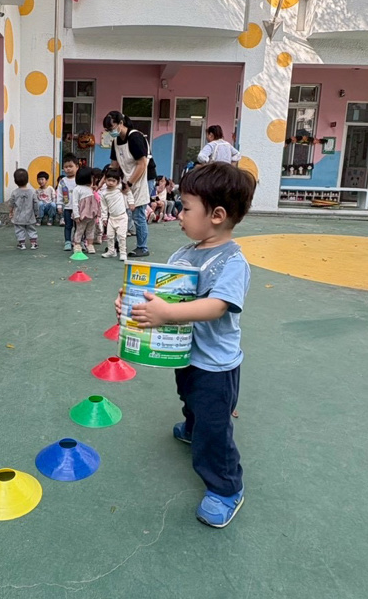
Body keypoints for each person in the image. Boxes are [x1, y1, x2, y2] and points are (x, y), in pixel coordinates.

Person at [116, 162, 256, 529]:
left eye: (186, 207)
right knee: (189, 397)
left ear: (217, 215)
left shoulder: (232, 262)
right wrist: (133, 306)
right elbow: (160, 296)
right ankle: (193, 428)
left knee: (214, 424)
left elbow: (217, 306)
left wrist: (166, 314)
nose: (178, 213)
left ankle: (226, 487)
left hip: (216, 365)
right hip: (186, 355)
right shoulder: (183, 255)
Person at [103, 110, 155, 258]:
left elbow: (142, 164)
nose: (111, 132)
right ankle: (117, 244)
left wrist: (130, 183)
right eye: (108, 130)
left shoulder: (135, 137)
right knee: (120, 212)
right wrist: (102, 182)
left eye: (112, 128)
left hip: (142, 178)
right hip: (126, 180)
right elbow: (114, 165)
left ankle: (142, 247)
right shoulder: (116, 141)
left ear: (121, 123)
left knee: (138, 214)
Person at [100, 165, 134, 262]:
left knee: (121, 236)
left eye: (113, 181)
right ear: (105, 180)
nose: (110, 183)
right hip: (111, 218)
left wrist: (131, 202)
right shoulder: (104, 193)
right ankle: (111, 251)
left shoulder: (119, 187)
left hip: (122, 217)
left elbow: (128, 192)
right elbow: (104, 207)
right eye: (108, 180)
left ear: (118, 181)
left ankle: (123, 253)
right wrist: (104, 218)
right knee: (110, 236)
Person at [8, 168, 40, 250]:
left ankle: (22, 244)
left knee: (19, 230)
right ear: (27, 180)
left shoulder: (15, 192)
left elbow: (11, 203)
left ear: (15, 181)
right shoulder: (32, 192)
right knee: (31, 229)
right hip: (30, 216)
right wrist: (36, 213)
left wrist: (11, 212)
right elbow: (36, 203)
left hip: (18, 217)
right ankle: (33, 243)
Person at [72, 166, 100, 253]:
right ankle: (77, 245)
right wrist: (76, 215)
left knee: (91, 230)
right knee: (80, 230)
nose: (93, 179)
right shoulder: (77, 189)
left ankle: (90, 245)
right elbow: (75, 203)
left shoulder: (91, 188)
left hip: (92, 214)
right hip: (82, 215)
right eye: (92, 177)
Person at [56, 153, 78, 250]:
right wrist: (59, 205)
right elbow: (60, 194)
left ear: (77, 167)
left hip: (78, 208)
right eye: (65, 167)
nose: (68, 169)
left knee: (78, 226)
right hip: (67, 208)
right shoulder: (62, 181)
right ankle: (67, 241)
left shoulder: (79, 179)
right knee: (68, 226)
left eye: (70, 166)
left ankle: (77, 241)